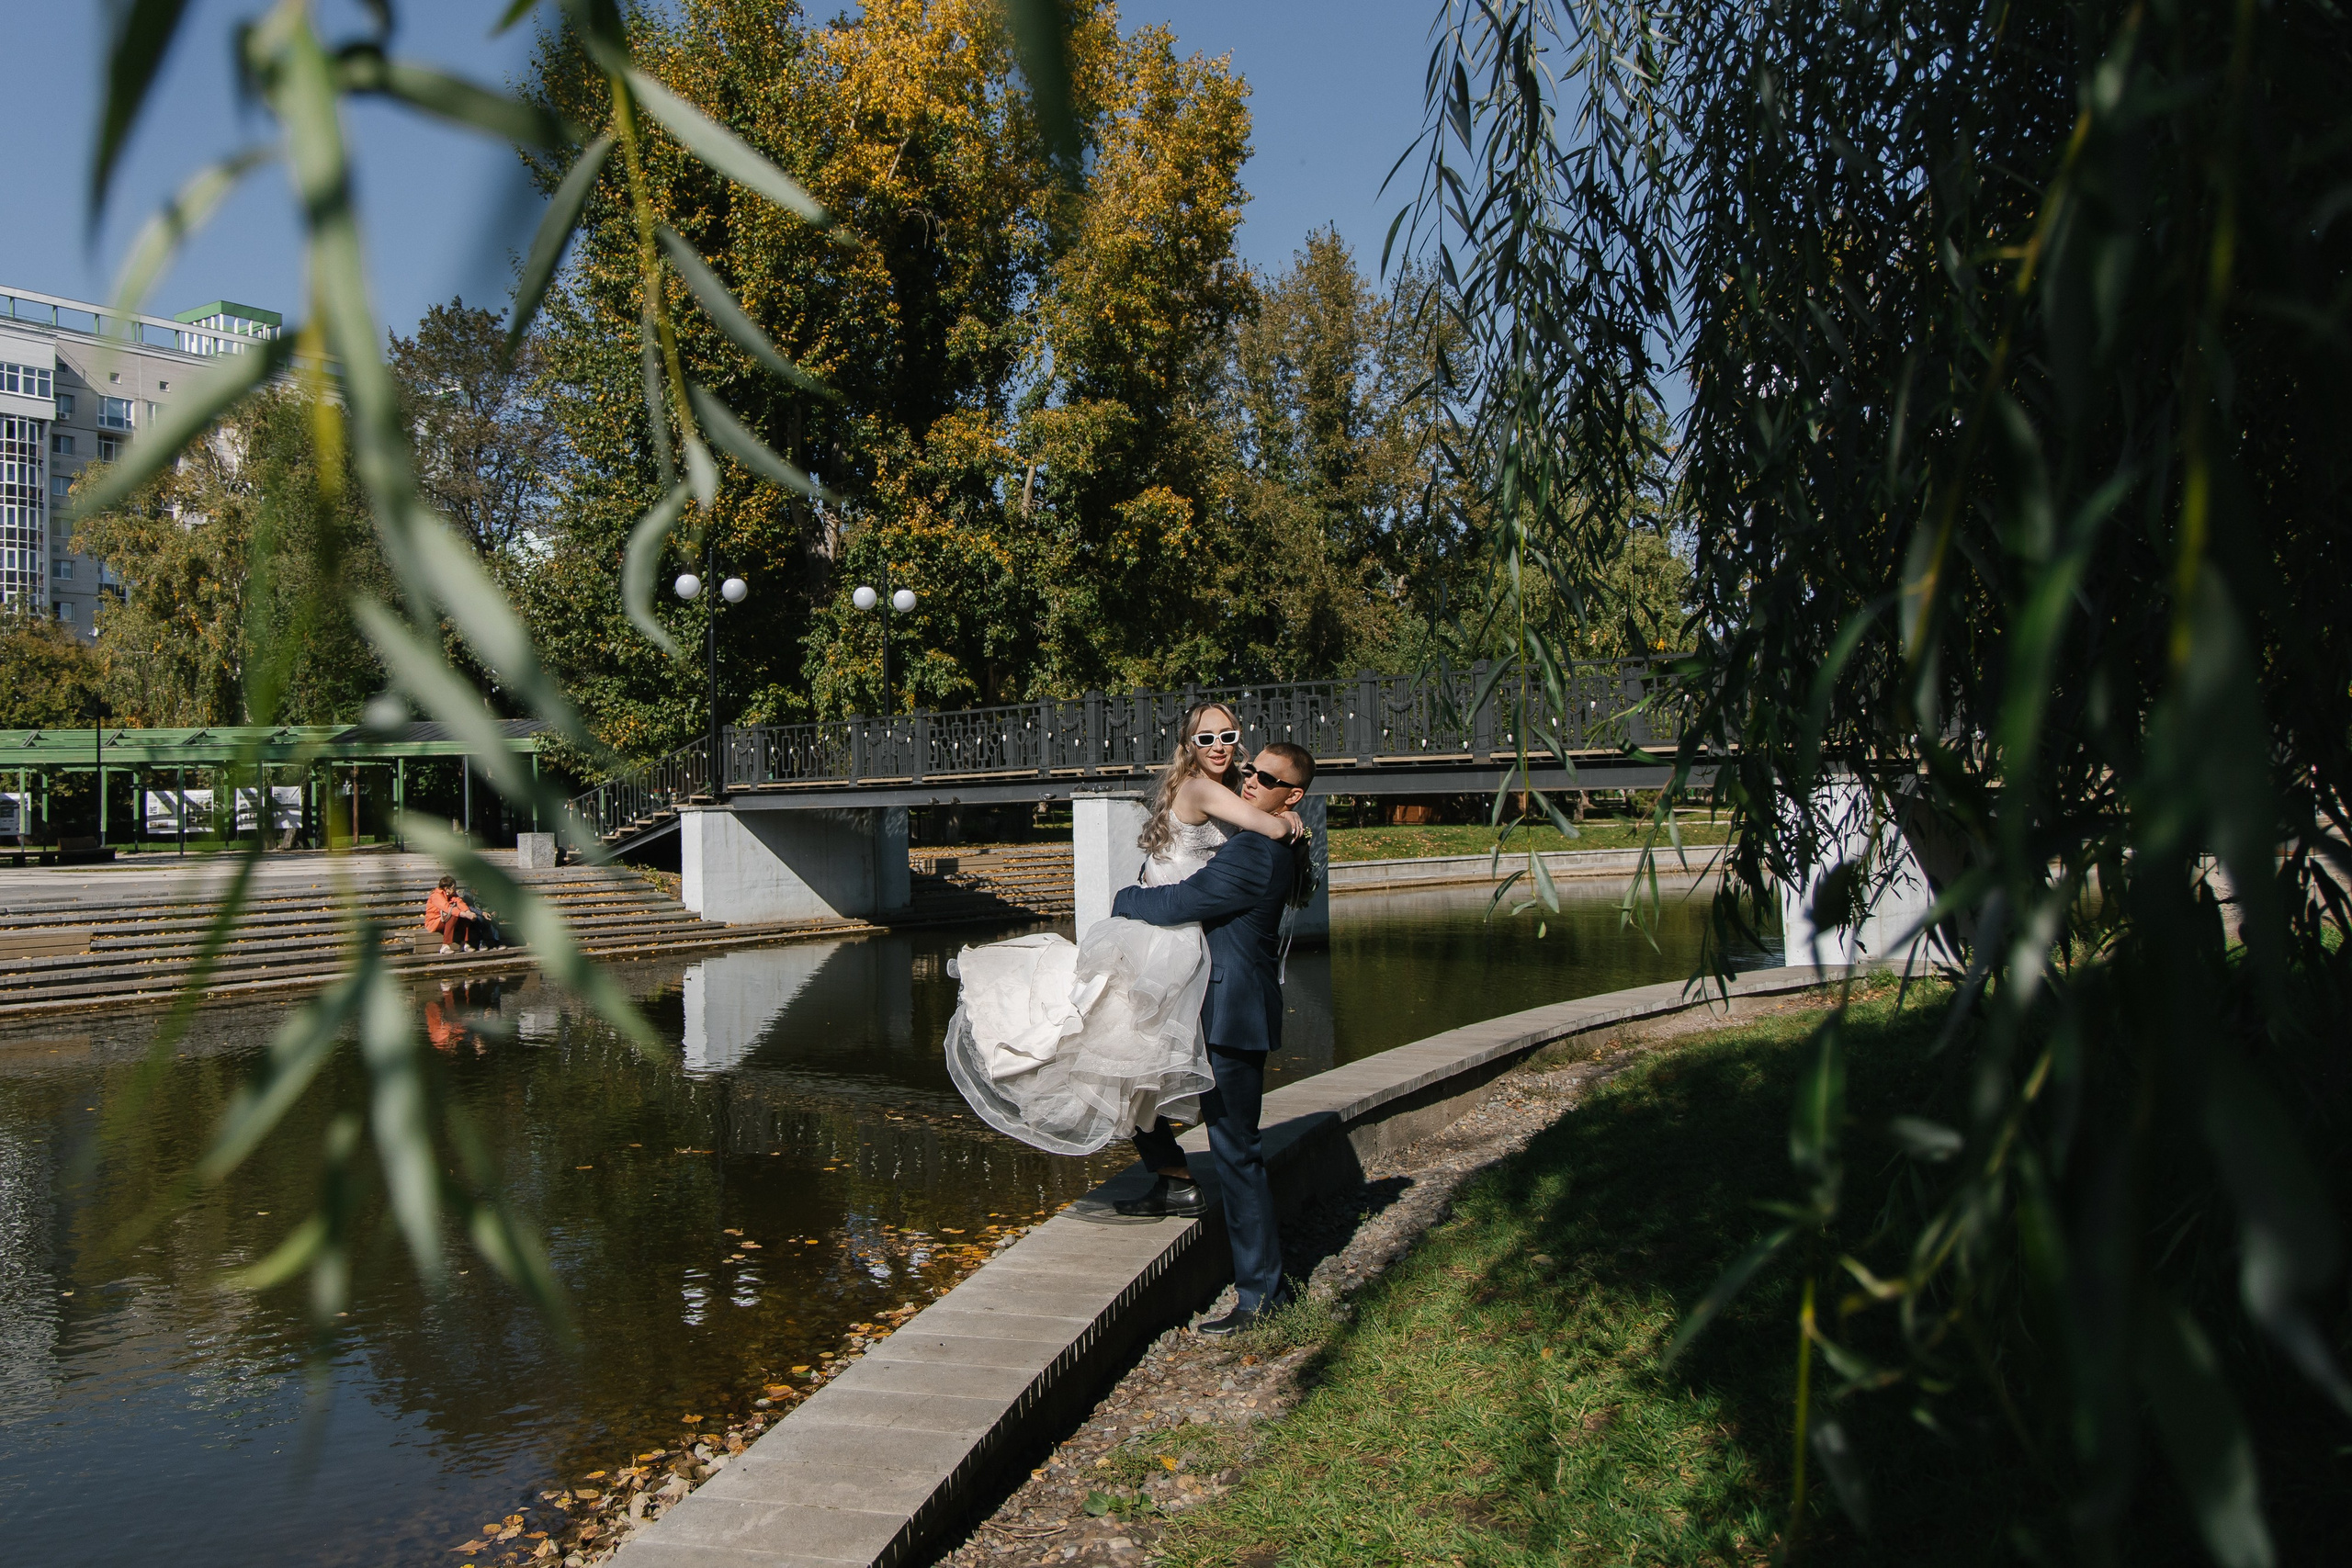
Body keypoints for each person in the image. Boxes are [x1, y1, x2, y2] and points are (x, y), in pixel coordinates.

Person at [941, 703, 1304, 1160]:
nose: (1217, 747)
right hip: (1162, 929)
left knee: (1137, 1056)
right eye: (1206, 738)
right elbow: (1267, 825)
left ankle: (1169, 1175)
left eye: (1227, 737)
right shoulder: (1201, 788)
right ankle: (1168, 1170)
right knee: (1113, 1047)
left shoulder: (1232, 788)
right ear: (1189, 746)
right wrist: (1290, 821)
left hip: (1186, 929)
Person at [1106, 740, 1315, 1335]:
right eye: (1251, 770)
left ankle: (1261, 1296)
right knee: (1233, 1148)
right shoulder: (1276, 839)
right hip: (1233, 1007)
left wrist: (1125, 898)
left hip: (1232, 1013)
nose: (1250, 779)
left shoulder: (1255, 850)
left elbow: (1183, 901)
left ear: (1292, 794)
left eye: (1267, 777)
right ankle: (1260, 1284)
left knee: (1237, 1155)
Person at [424, 874, 486, 954]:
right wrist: (465, 914)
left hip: (447, 921)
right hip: (434, 922)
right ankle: (445, 946)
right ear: (447, 888)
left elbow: (460, 903)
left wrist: (468, 913)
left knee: (465, 917)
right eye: (453, 888)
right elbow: (448, 909)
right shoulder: (436, 896)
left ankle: (464, 943)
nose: (455, 890)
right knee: (453, 915)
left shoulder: (452, 894)